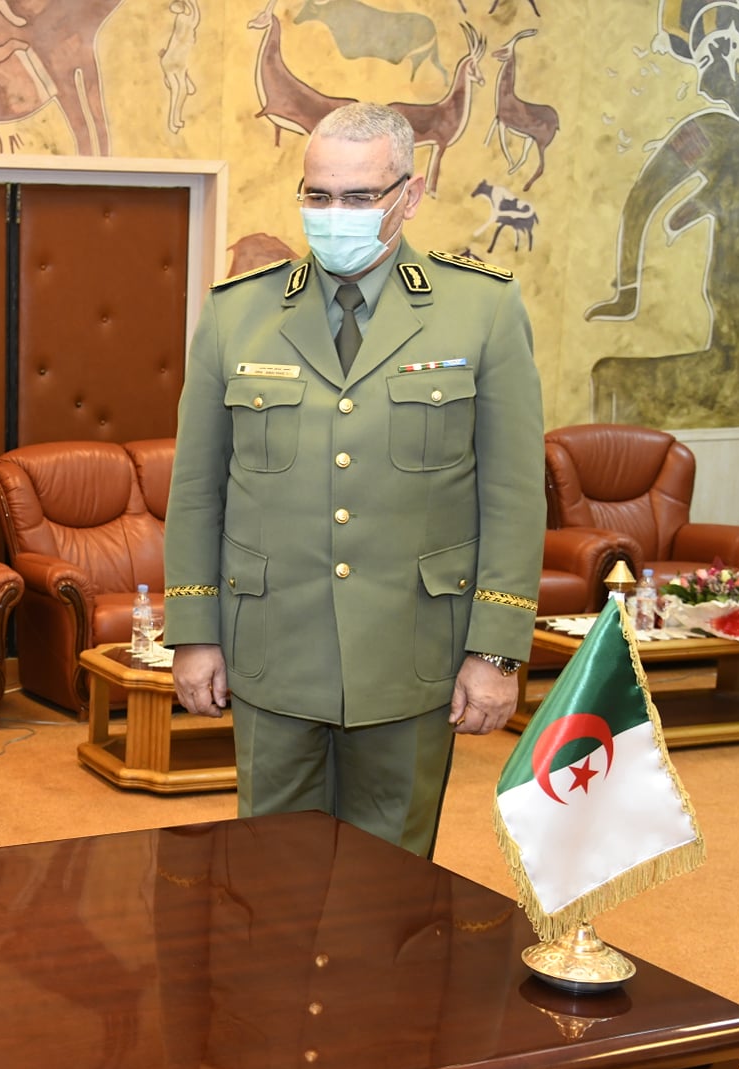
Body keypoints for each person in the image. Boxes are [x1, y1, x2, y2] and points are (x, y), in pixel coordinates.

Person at [163, 103, 545, 856]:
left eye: (360, 196)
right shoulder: (237, 313)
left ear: (412, 193)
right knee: (272, 868)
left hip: (412, 652)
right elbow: (198, 491)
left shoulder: (482, 309)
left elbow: (512, 498)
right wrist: (194, 633)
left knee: (392, 879)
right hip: (273, 649)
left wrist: (496, 652)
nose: (335, 214)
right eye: (319, 194)